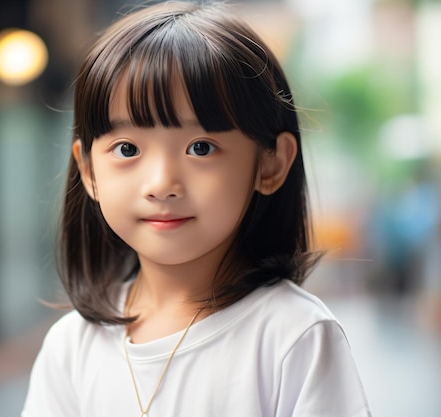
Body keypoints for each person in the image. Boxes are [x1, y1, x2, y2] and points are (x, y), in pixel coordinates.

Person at [22, 2, 371, 416]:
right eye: (127, 149)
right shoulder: (72, 347)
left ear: (271, 162)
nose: (162, 185)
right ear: (89, 171)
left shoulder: (293, 337)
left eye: (200, 148)